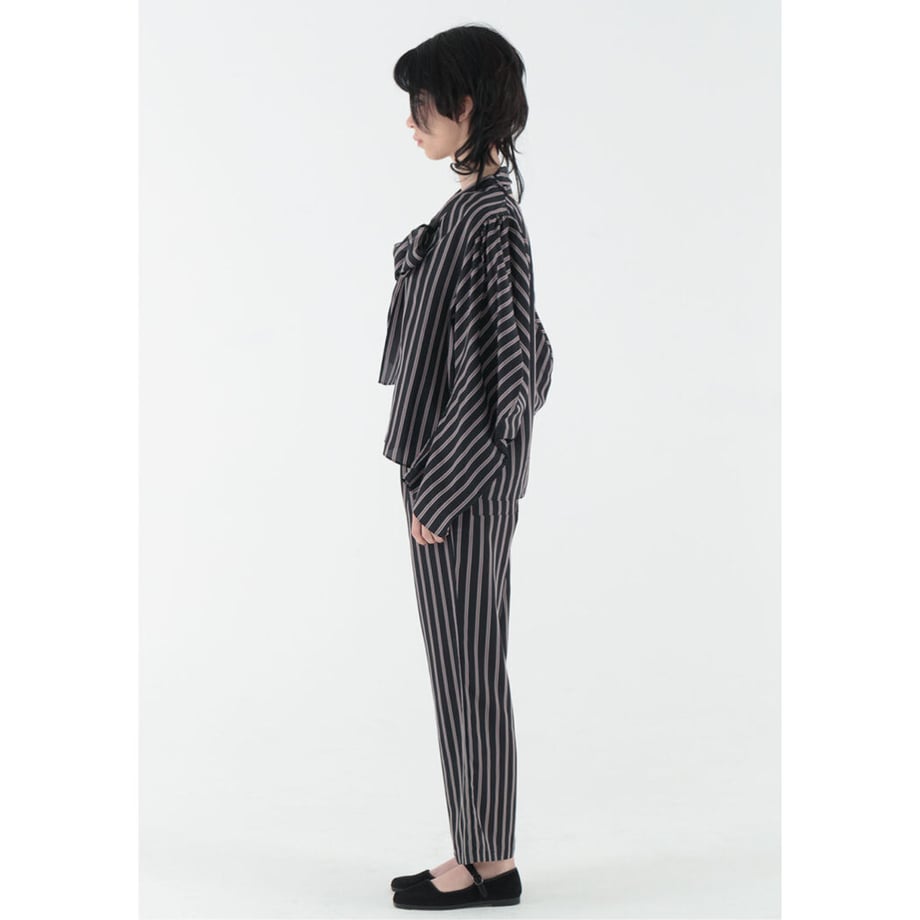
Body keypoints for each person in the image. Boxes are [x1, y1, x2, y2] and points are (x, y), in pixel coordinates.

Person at [378, 23, 553, 911]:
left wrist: (443, 488)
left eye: (424, 104)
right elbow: (524, 355)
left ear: (469, 105)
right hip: (453, 479)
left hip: (463, 485)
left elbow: (512, 372)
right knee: (460, 664)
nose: (412, 120)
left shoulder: (491, 221)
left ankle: (490, 865)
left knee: (471, 665)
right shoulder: (474, 211)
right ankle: (481, 851)